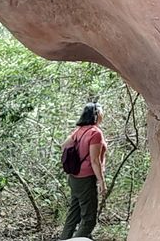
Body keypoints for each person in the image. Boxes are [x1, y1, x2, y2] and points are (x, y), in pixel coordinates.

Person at [60, 103, 107, 240]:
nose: (103, 115)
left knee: (73, 215)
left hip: (74, 178)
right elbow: (95, 161)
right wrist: (102, 182)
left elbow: (64, 146)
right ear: (97, 114)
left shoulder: (79, 130)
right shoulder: (95, 133)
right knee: (89, 220)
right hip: (86, 179)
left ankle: (64, 238)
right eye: (102, 112)